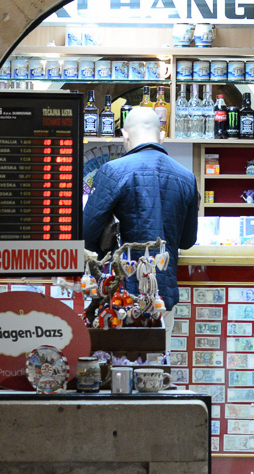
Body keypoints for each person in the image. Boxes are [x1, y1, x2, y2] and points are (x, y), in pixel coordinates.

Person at [83, 104, 199, 332]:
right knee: (160, 354)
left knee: (120, 355)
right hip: (163, 295)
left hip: (121, 295)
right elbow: (187, 241)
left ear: (124, 135)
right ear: (162, 136)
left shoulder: (112, 171)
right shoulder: (186, 177)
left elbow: (87, 234)